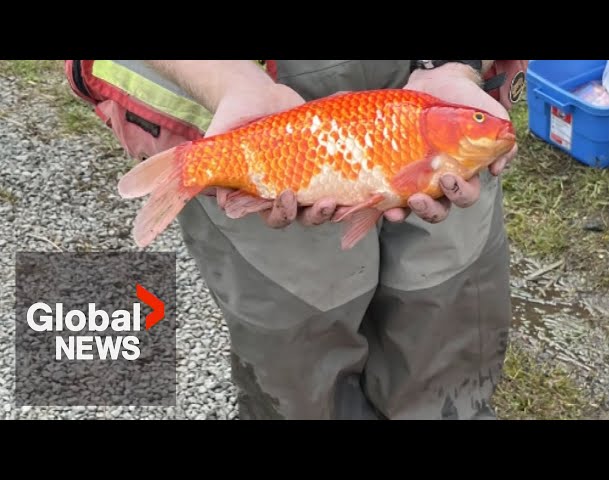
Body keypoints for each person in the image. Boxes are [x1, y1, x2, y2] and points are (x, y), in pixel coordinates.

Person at [67, 60, 528, 419]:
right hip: (224, 91)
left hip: (429, 85)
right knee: (299, 344)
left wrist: (450, 65)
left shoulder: (438, 133)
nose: (495, 130)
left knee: (445, 308)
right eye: (477, 124)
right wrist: (232, 82)